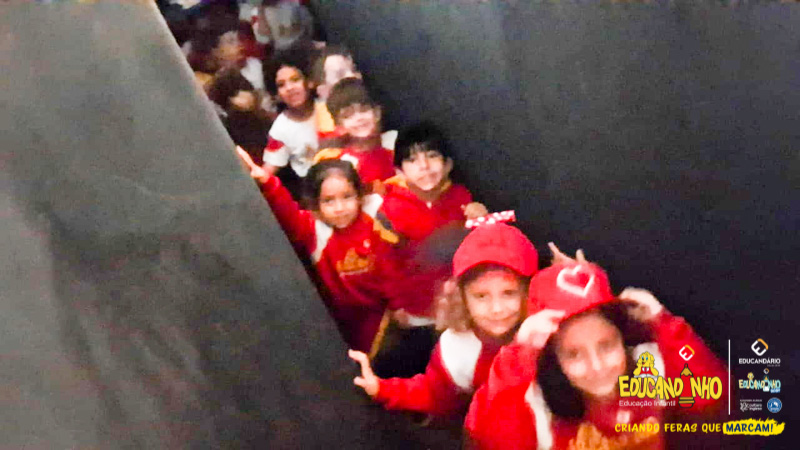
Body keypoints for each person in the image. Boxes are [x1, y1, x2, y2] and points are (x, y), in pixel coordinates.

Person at [464, 262, 728, 449]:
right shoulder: (534, 401)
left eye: (606, 346)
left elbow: (713, 400)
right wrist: (518, 355)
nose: (597, 366)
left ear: (622, 339)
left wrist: (666, 326)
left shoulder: (651, 366)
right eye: (574, 354)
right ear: (554, 359)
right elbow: (490, 439)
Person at [347, 223, 539, 420]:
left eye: (509, 293)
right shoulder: (456, 347)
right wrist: (381, 388)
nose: (497, 309)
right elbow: (436, 395)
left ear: (529, 291)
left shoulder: (547, 331)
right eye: (481, 296)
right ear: (462, 298)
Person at [238, 150, 409, 355]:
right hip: (341, 318)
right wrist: (267, 182)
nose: (340, 208)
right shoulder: (315, 230)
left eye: (347, 197)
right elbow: (288, 213)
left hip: (382, 315)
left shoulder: (375, 221)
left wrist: (399, 304)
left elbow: (391, 269)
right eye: (329, 201)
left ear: (359, 196)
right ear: (316, 205)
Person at [313, 78, 396, 191]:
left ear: (377, 113)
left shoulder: (392, 156)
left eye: (364, 110)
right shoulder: (338, 163)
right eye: (348, 115)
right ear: (339, 127)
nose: (358, 118)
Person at [262, 59, 318, 196]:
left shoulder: (328, 106)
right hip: (314, 190)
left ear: (310, 81)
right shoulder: (279, 130)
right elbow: (268, 171)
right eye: (281, 85)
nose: (289, 88)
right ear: (276, 94)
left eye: (295, 80)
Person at [310, 45, 362, 137]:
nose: (352, 76)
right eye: (340, 74)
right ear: (323, 91)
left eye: (353, 70)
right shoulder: (328, 128)